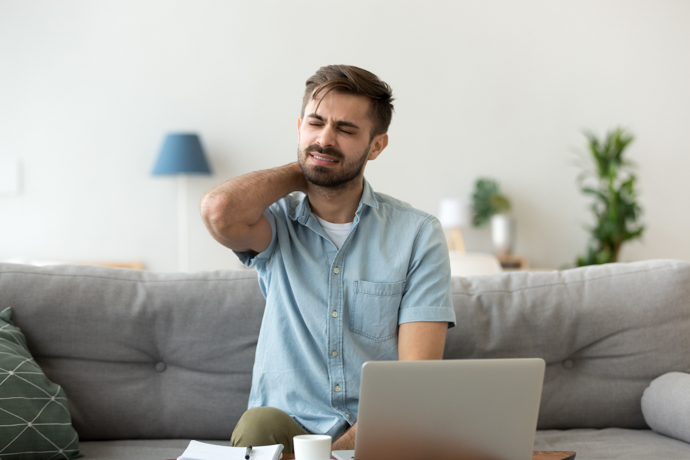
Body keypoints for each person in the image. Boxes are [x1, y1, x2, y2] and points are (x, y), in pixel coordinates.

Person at [200, 65, 455, 453]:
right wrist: (307, 167)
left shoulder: (418, 234)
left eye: (345, 130)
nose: (325, 139)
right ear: (300, 126)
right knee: (257, 424)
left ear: (376, 146)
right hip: (285, 426)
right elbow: (219, 210)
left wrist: (335, 453)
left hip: (380, 426)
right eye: (315, 124)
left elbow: (415, 377)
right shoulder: (275, 222)